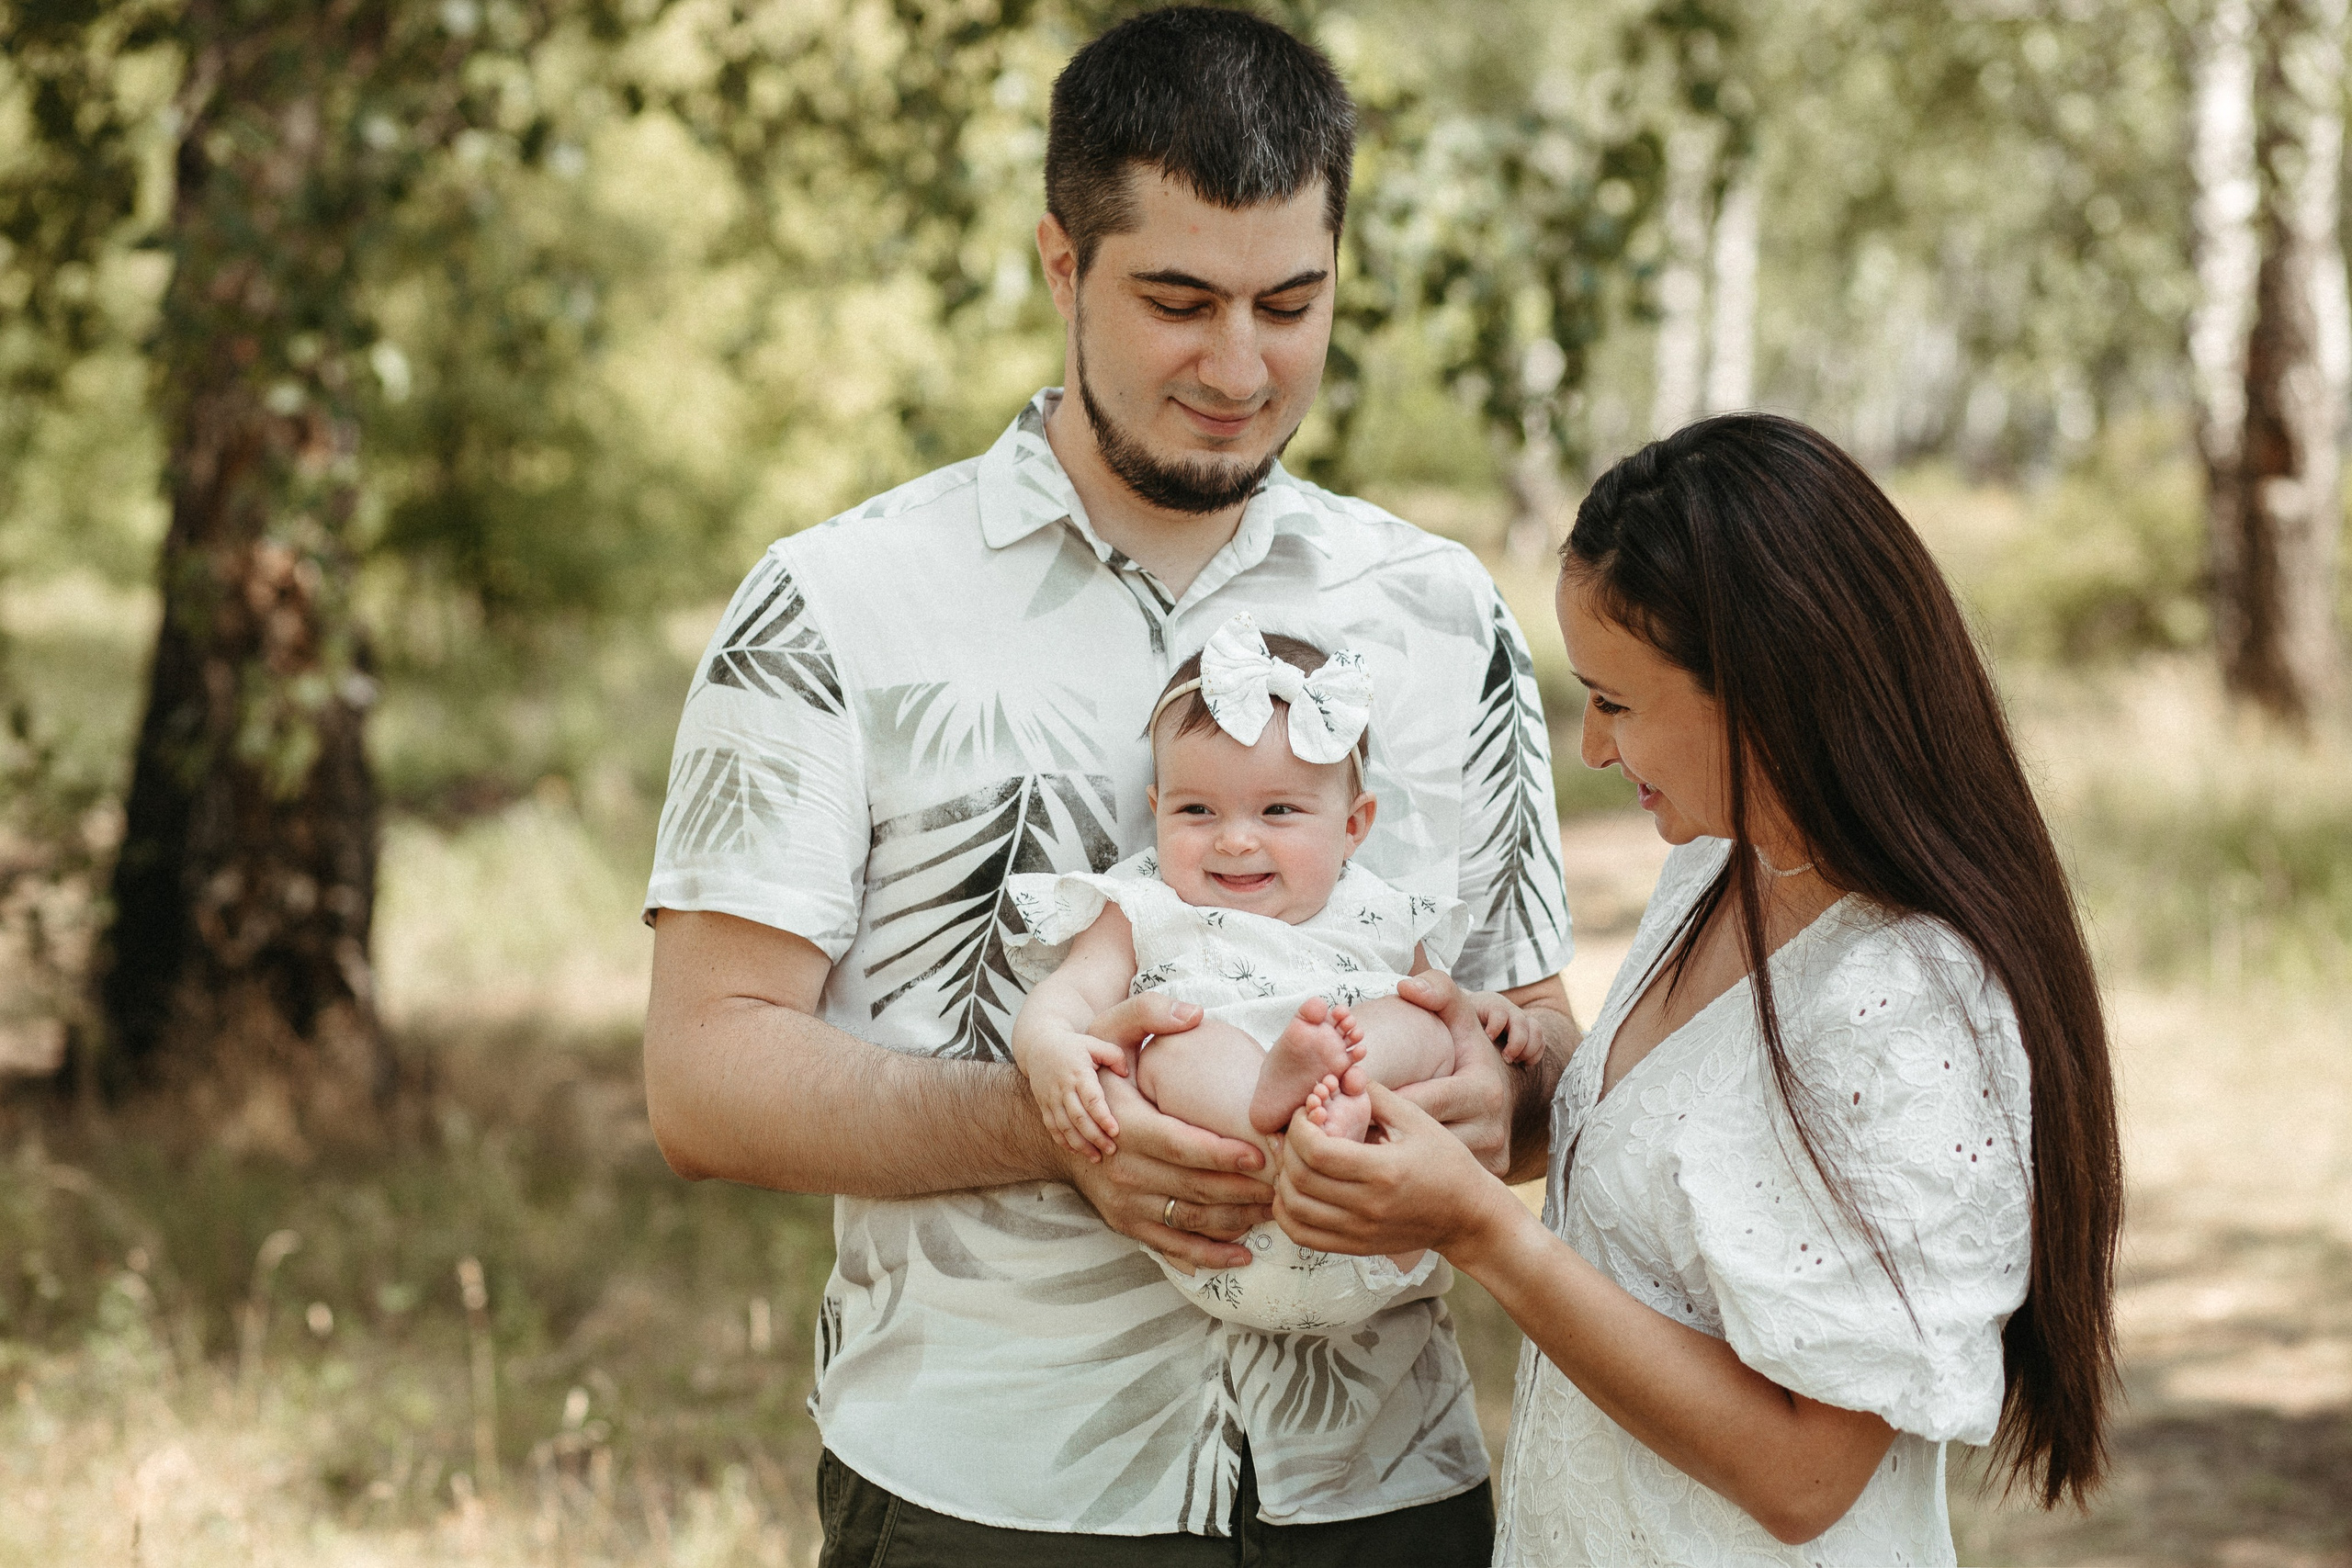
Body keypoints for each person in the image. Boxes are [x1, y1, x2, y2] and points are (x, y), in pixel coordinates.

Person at [639, 9, 1577, 1563]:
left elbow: (1538, 1032)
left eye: (1292, 302)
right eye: (1178, 299)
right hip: (991, 1497)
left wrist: (1510, 1094)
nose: (1240, 364)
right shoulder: (836, 602)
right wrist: (1058, 1120)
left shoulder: (1440, 608)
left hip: (1386, 1493)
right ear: (1062, 268)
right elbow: (703, 1078)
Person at [1272, 413, 2123, 1565]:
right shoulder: (1715, 868)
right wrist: (1507, 1059)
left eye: (1616, 702)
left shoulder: (1907, 1002)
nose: (1592, 750)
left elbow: (1804, 1478)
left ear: (1765, 685)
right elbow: (1670, 1139)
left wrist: (1480, 1234)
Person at [1007, 614, 1544, 1334]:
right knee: (1175, 1044)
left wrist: (1486, 1014)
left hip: (1371, 1232)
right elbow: (1068, 994)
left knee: (1418, 1019)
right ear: (1155, 809)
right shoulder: (1144, 903)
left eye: (1278, 810)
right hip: (1227, 1197)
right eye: (1197, 809)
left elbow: (1443, 1004)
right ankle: (1281, 1117)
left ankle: (1334, 1113)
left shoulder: (1381, 909)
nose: (1234, 838)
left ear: (1354, 825)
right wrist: (1049, 1045)